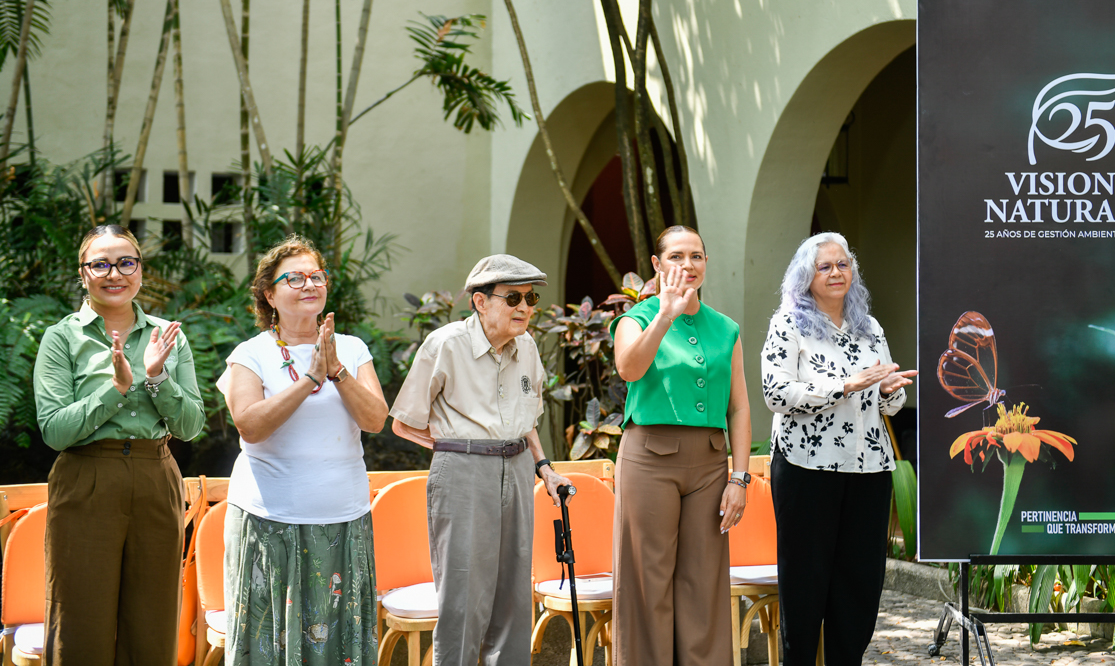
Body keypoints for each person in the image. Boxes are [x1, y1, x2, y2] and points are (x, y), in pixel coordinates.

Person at [33, 224, 204, 665]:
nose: (115, 274)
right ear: (83, 273)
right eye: (101, 264)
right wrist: (117, 388)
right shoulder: (62, 337)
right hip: (86, 478)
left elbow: (190, 426)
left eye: (126, 262)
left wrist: (157, 377)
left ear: (140, 270)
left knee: (153, 622)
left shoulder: (168, 335)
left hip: (155, 478)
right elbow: (54, 431)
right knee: (80, 621)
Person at [390, 254, 573, 666]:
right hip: (463, 472)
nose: (525, 307)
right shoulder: (445, 344)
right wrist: (458, 448)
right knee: (464, 596)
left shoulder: (527, 347)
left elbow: (527, 420)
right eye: (513, 298)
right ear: (480, 301)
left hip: (519, 467)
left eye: (530, 298)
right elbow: (403, 424)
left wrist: (544, 467)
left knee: (515, 594)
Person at [218, 235, 389, 665]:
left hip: (343, 521)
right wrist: (310, 378)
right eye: (295, 278)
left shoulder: (351, 349)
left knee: (336, 642)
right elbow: (250, 426)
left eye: (317, 276)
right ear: (269, 294)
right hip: (270, 523)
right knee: (269, 640)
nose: (310, 284)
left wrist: (336, 371)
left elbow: (375, 419)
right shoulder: (250, 354)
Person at [761, 232, 917, 666]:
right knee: (806, 585)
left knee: (859, 588)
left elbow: (889, 402)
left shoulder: (870, 328)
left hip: (869, 469)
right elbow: (776, 393)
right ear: (805, 276)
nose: (836, 272)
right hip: (806, 468)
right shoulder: (788, 324)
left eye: (843, 264)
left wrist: (887, 389)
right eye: (825, 266)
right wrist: (845, 385)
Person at [609, 225, 752, 666]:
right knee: (646, 581)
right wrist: (664, 315)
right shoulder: (636, 319)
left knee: (704, 582)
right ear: (656, 264)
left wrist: (740, 478)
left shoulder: (726, 328)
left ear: (706, 263)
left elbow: (739, 408)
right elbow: (629, 369)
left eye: (696, 256)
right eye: (676, 256)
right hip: (649, 459)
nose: (687, 265)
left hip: (710, 464)